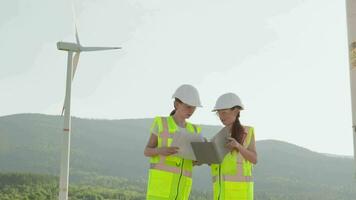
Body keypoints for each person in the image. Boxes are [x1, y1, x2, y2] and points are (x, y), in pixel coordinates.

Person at [144, 84, 203, 200]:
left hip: (182, 191)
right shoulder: (161, 123)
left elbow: (192, 162)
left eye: (194, 107)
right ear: (176, 104)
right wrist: (161, 150)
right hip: (161, 191)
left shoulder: (196, 130)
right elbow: (147, 151)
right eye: (187, 106)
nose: (191, 110)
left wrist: (198, 160)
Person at [210, 93, 257, 200]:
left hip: (241, 195)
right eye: (219, 113)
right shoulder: (216, 138)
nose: (221, 117)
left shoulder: (247, 132)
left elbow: (254, 159)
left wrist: (238, 146)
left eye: (224, 112)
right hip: (220, 195)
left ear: (236, 111)